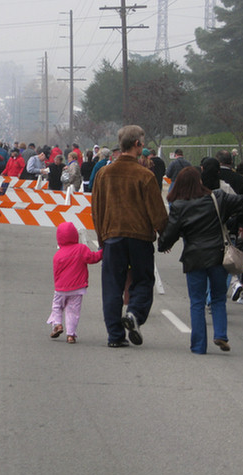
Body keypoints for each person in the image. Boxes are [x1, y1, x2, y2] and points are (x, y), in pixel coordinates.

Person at [158, 166, 243, 354]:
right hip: (218, 255)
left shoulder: (179, 206)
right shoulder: (218, 199)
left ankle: (199, 345)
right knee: (217, 298)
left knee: (197, 301)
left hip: (194, 258)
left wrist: (163, 244)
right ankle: (221, 335)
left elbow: (171, 233)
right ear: (199, 181)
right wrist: (241, 224)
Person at [91, 125, 169, 348]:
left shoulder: (104, 175)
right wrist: (165, 235)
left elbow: (96, 209)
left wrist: (102, 237)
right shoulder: (145, 176)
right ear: (137, 145)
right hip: (139, 237)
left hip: (112, 236)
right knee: (143, 280)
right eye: (142, 143)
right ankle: (134, 313)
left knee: (112, 286)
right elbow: (157, 211)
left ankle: (115, 336)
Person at [46, 222, 103, 344]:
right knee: (73, 311)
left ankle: (57, 324)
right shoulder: (81, 249)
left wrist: (57, 286)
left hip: (61, 288)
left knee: (57, 307)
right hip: (77, 288)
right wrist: (103, 252)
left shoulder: (57, 255)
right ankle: (71, 335)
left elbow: (56, 274)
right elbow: (92, 258)